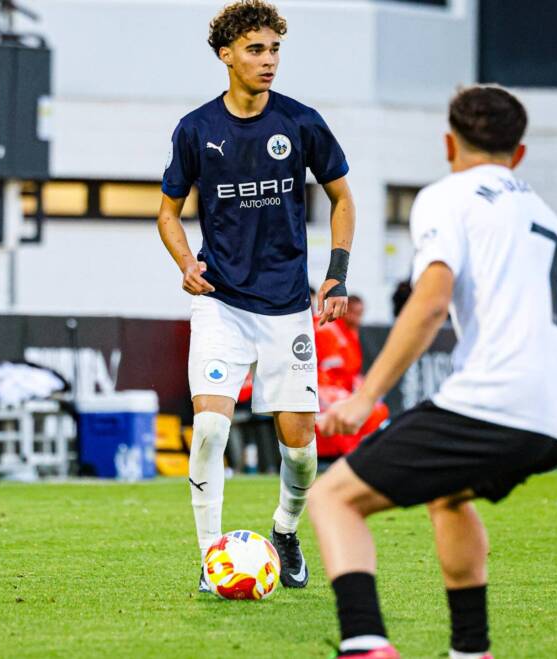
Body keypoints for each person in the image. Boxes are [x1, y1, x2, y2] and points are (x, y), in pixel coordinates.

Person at [310, 86, 557, 658]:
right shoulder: (546, 217)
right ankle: (472, 651)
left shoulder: (448, 196)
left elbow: (429, 302)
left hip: (493, 402)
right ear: (518, 154)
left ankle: (364, 645)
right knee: (448, 496)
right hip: (551, 413)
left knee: (333, 499)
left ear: (448, 143)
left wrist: (362, 397)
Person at [157, 0, 356, 592]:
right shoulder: (196, 130)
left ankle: (285, 530)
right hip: (220, 302)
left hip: (287, 307)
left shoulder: (301, 123)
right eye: (255, 50)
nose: (268, 61)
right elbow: (167, 213)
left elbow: (343, 199)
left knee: (299, 451)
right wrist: (186, 263)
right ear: (226, 56)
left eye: (274, 50)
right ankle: (209, 559)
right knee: (212, 429)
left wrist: (336, 274)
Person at [315, 295, 388, 460]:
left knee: (377, 408)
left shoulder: (351, 333)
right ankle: (350, 456)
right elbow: (328, 371)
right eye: (354, 313)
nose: (357, 319)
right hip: (323, 388)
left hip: (341, 388)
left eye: (360, 314)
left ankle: (363, 454)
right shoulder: (328, 329)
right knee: (348, 407)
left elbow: (353, 373)